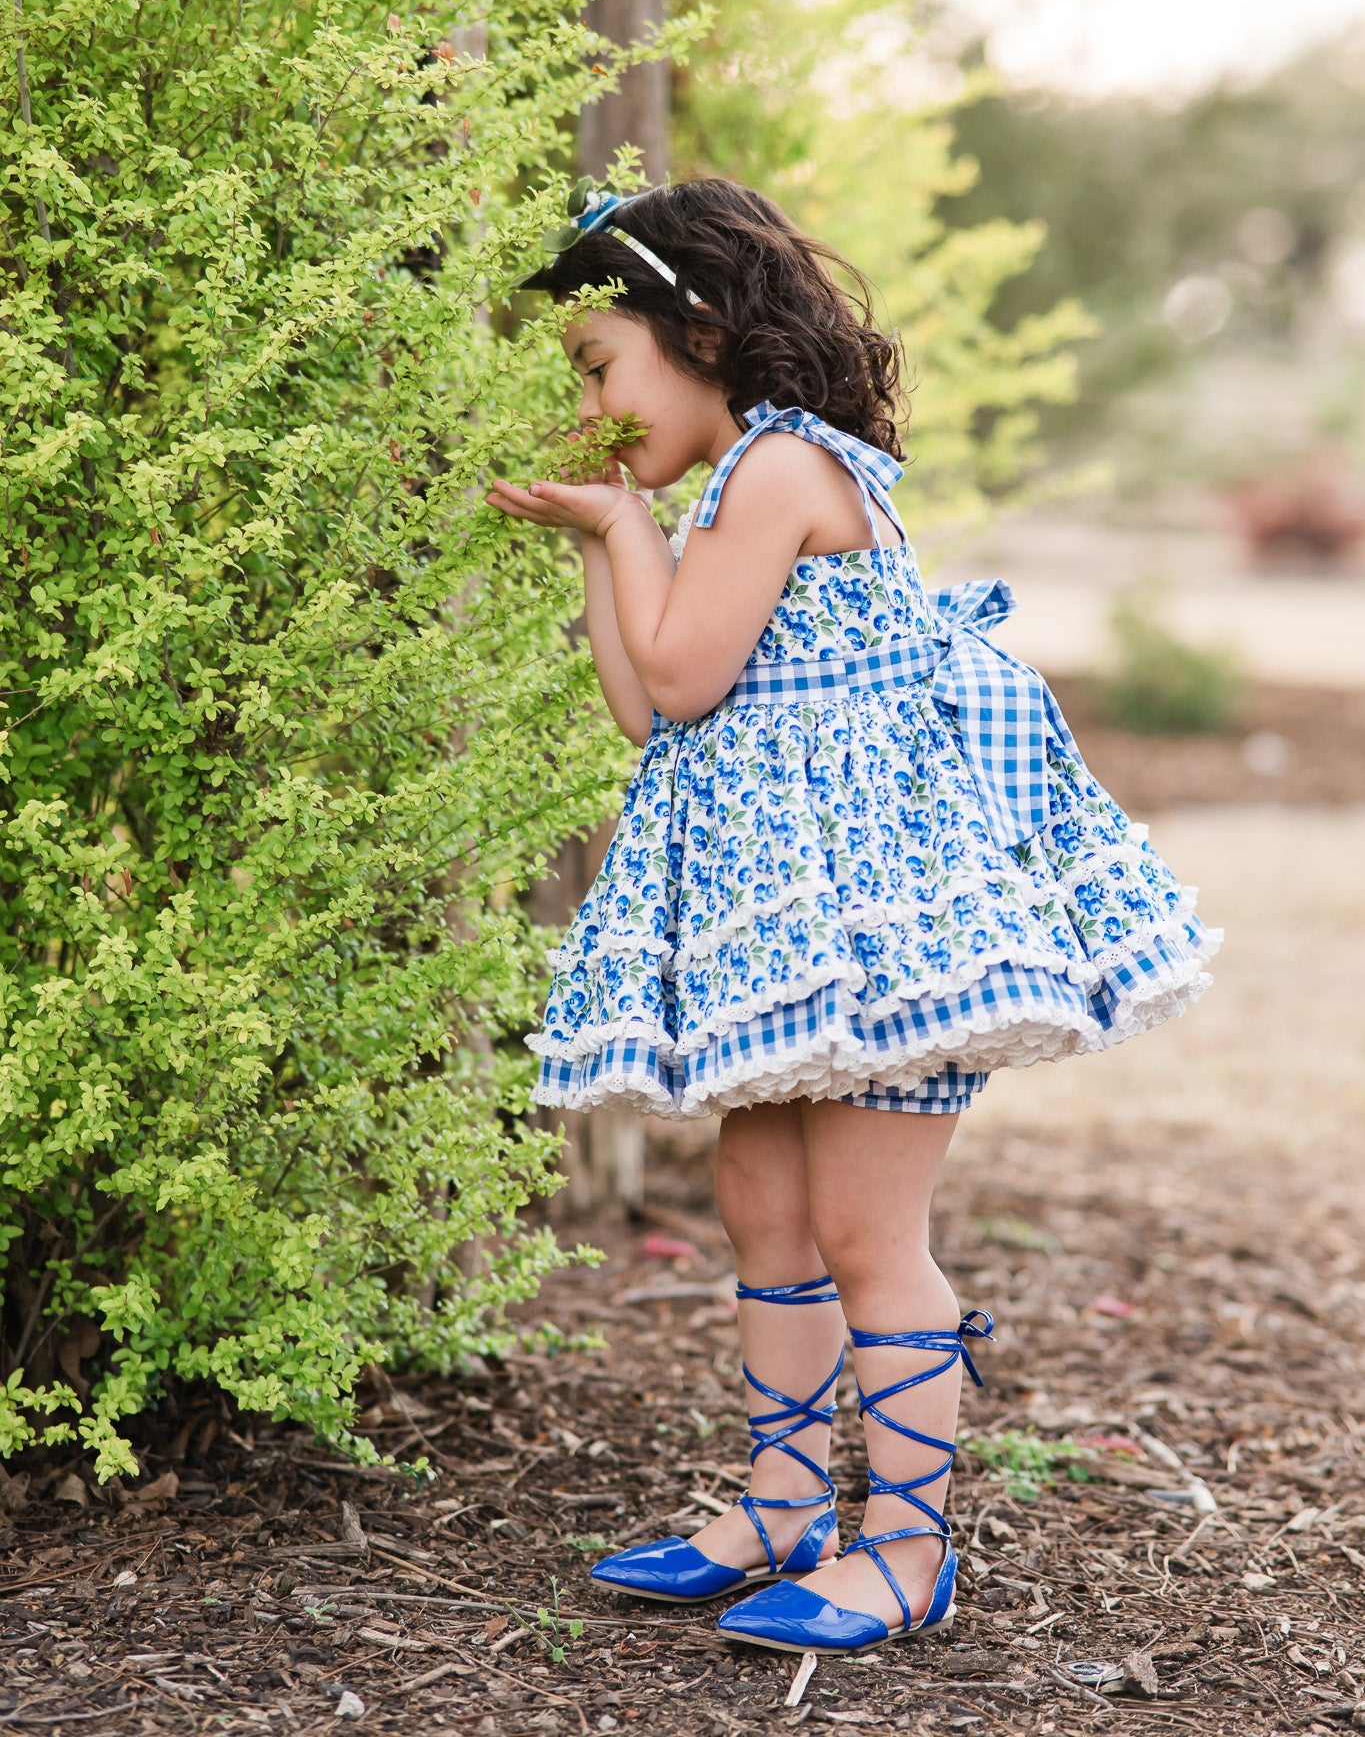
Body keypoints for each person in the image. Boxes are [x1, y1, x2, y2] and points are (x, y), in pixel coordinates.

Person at [486, 178, 1219, 1655]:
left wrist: (628, 523)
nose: (592, 401)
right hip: (801, 938)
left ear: (695, 330)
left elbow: (683, 675)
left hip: (888, 937)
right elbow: (651, 716)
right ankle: (777, 1508)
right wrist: (601, 533)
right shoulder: (728, 485)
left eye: (597, 368)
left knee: (862, 1225)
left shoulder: (778, 474)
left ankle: (905, 1545)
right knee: (763, 1208)